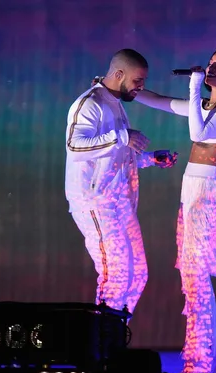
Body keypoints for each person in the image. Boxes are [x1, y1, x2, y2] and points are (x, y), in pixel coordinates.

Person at [93, 47, 216, 373]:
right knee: (194, 280)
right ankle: (215, 350)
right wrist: (118, 88)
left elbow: (198, 133)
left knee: (195, 281)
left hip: (207, 199)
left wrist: (193, 87)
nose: (209, 68)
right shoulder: (208, 107)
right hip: (191, 198)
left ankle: (201, 360)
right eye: (209, 64)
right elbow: (160, 101)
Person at [66, 49, 178, 321]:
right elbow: (74, 146)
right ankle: (100, 346)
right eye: (138, 81)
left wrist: (150, 159)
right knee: (115, 273)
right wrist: (121, 137)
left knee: (137, 272)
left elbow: (114, 157)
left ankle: (114, 336)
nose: (141, 87)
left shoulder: (114, 103)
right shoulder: (90, 103)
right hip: (96, 203)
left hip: (120, 203)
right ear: (119, 74)